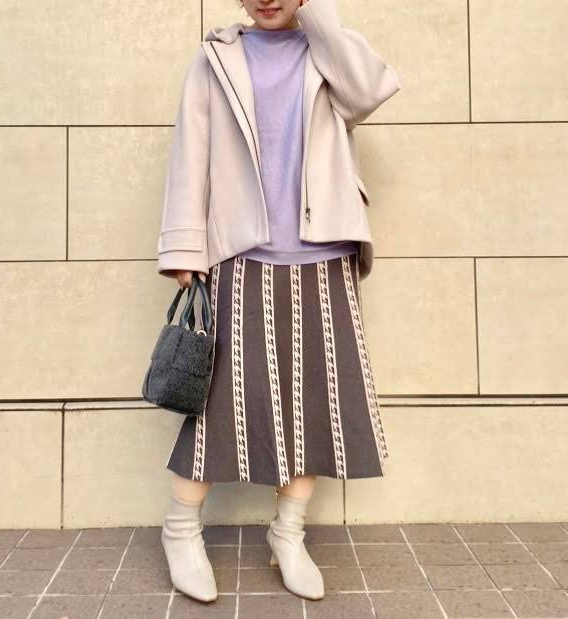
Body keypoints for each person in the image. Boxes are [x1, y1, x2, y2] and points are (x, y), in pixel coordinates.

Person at [157, 0, 400, 604]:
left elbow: (368, 92)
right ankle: (180, 529)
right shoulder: (215, 58)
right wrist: (185, 248)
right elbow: (191, 154)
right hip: (240, 251)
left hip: (324, 251)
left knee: (314, 401)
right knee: (220, 402)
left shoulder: (328, 46)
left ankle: (288, 533)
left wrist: (318, 18)